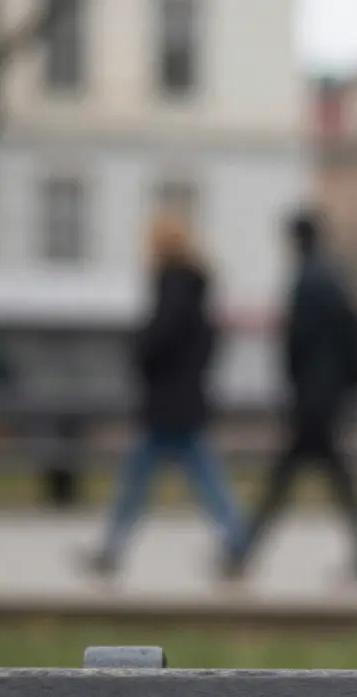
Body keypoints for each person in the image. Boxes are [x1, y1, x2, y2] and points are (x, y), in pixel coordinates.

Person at [81, 210, 243, 579]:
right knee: (200, 477)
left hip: (169, 403)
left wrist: (138, 349)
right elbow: (208, 345)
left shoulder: (173, 287)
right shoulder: (197, 289)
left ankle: (111, 549)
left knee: (146, 481)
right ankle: (235, 542)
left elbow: (158, 341)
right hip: (185, 399)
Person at [225, 210, 357, 583]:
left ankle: (241, 554)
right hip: (329, 396)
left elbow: (297, 344)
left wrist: (293, 392)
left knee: (286, 478)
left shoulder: (307, 281)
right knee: (328, 477)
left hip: (313, 400)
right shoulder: (334, 276)